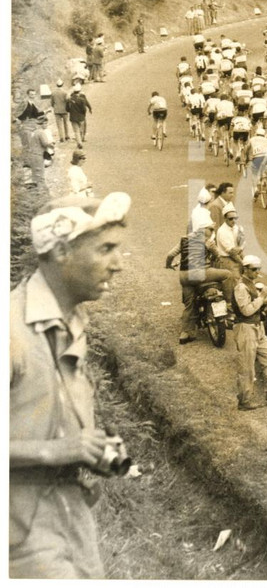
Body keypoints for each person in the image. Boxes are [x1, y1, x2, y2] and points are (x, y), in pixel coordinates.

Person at [10, 192, 131, 578]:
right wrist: (56, 450)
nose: (118, 265)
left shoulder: (72, 323)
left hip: (72, 522)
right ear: (61, 250)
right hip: (18, 540)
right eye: (105, 250)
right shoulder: (8, 331)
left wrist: (92, 451)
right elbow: (55, 446)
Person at [164, 215, 233, 345]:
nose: (212, 232)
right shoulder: (207, 241)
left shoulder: (185, 239)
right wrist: (213, 253)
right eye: (210, 229)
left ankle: (186, 333)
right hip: (200, 274)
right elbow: (218, 257)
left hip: (184, 276)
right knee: (228, 275)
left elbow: (170, 255)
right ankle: (229, 306)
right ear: (203, 229)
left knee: (189, 303)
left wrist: (169, 265)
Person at [232, 256, 267, 410]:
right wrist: (263, 297)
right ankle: (244, 400)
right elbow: (246, 310)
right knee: (247, 366)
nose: (257, 272)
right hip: (245, 328)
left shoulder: (251, 285)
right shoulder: (241, 287)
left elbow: (257, 300)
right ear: (245, 269)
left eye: (258, 268)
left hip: (257, 327)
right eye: (254, 269)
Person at [215, 202, 245, 285]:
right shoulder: (222, 231)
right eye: (231, 219)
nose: (234, 221)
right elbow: (232, 252)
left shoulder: (237, 228)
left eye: (235, 218)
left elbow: (240, 246)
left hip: (236, 257)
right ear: (225, 219)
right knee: (235, 281)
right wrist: (243, 263)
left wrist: (244, 259)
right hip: (227, 261)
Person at [25, 115, 56, 193]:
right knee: (40, 174)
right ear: (42, 124)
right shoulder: (41, 132)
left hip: (32, 154)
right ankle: (42, 192)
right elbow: (45, 143)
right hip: (38, 154)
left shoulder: (33, 132)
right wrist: (52, 144)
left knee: (35, 174)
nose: (46, 125)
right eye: (45, 123)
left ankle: (36, 191)